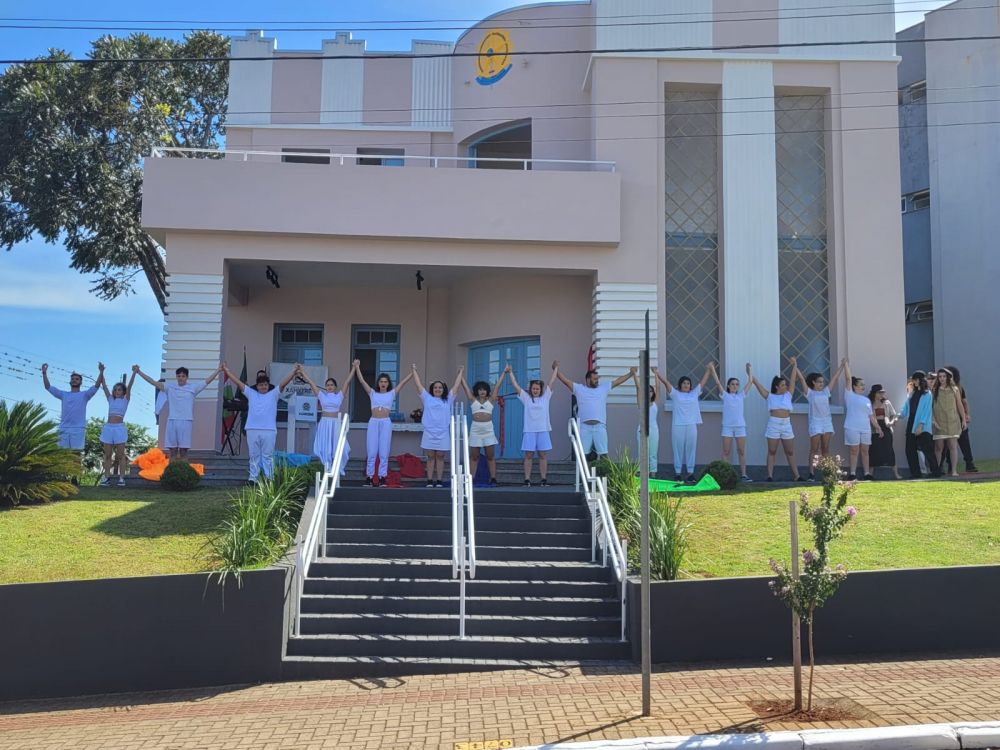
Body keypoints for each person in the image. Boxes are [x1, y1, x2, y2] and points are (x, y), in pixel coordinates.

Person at [222, 363, 297, 483]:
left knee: (267, 456)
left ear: (268, 386)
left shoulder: (274, 394)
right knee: (254, 456)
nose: (263, 387)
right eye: (261, 385)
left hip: (269, 430)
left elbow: (283, 383)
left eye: (265, 385)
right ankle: (253, 478)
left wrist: (293, 372)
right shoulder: (251, 394)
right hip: (252, 429)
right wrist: (227, 371)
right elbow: (238, 383)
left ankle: (269, 478)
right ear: (257, 386)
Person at [134, 363, 222, 459]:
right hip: (172, 421)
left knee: (184, 451)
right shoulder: (170, 387)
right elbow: (153, 382)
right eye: (179, 376)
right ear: (176, 377)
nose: (181, 378)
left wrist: (218, 370)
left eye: (183, 376)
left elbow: (207, 381)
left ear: (187, 377)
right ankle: (172, 472)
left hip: (186, 421)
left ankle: (183, 473)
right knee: (173, 451)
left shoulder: (193, 388)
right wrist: (139, 372)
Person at [555, 361, 636, 460]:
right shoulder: (579, 389)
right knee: (583, 456)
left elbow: (618, 381)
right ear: (588, 379)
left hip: (600, 427)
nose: (597, 381)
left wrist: (630, 374)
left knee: (604, 454)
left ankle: (606, 475)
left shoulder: (603, 388)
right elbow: (566, 381)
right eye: (595, 379)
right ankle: (582, 475)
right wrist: (555, 369)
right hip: (584, 428)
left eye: (597, 379)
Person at [355, 362, 414, 487]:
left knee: (383, 452)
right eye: (381, 381)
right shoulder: (372, 393)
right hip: (374, 422)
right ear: (378, 383)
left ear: (388, 383)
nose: (383, 383)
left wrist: (412, 372)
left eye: (385, 382)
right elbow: (362, 382)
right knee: (371, 451)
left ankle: (382, 477)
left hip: (385, 423)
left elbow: (402, 383)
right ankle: (370, 477)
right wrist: (357, 367)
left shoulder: (391, 393)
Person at [654, 363, 713, 482]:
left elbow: (703, 382)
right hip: (678, 425)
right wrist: (656, 373)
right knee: (678, 449)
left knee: (691, 448)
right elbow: (666, 383)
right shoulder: (675, 394)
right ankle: (677, 473)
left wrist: (709, 370)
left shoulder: (694, 393)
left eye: (688, 383)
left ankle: (690, 473)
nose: (686, 385)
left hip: (691, 425)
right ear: (680, 385)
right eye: (684, 383)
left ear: (690, 386)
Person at [749, 356, 804, 482]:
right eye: (783, 385)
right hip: (774, 424)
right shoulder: (770, 396)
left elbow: (793, 380)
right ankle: (769, 476)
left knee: (790, 451)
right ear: (777, 386)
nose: (786, 386)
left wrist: (794, 365)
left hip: (786, 424)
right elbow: (757, 385)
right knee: (772, 451)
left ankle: (797, 475)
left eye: (785, 384)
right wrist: (750, 372)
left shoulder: (788, 395)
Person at [506, 362, 560, 486]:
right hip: (529, 430)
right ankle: (527, 479)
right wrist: (510, 372)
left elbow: (551, 382)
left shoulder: (545, 397)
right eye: (533, 388)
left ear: (540, 389)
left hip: (543, 430)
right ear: (531, 389)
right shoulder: (526, 398)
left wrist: (556, 368)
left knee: (542, 455)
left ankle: (543, 479)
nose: (535, 390)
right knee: (529, 455)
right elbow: (516, 386)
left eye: (537, 388)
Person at [411, 364, 463, 488]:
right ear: (432, 389)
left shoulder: (448, 399)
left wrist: (461, 371)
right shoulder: (427, 398)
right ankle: (429, 481)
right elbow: (418, 386)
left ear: (443, 389)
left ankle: (439, 481)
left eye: (440, 387)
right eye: (435, 387)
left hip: (443, 432)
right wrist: (414, 370)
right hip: (429, 432)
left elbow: (456, 386)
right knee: (430, 457)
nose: (438, 389)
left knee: (440, 457)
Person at [298, 364, 355, 477]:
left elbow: (347, 382)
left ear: (335, 387)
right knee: (325, 448)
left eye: (331, 385)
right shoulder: (321, 395)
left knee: (337, 448)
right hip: (324, 424)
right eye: (327, 385)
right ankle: (326, 469)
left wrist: (354, 368)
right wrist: (302, 372)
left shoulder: (339, 395)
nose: (329, 386)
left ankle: (336, 470)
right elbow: (311, 382)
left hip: (335, 424)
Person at [795, 359, 846, 473]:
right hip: (815, 422)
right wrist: (795, 366)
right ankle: (811, 473)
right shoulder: (810, 393)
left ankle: (827, 472)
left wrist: (842, 366)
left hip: (827, 422)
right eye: (819, 382)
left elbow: (834, 378)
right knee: (814, 449)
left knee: (826, 448)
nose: (822, 384)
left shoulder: (826, 392)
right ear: (813, 382)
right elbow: (802, 379)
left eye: (823, 382)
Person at [460, 370, 507, 487]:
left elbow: (497, 386)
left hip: (488, 430)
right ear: (477, 391)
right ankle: (471, 479)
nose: (482, 391)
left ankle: (493, 478)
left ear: (487, 391)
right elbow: (465, 388)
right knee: (474, 456)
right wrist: (460, 374)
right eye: (480, 389)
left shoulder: (491, 400)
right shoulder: (473, 400)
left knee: (490, 456)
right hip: (475, 430)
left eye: (484, 389)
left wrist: (504, 373)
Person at [42, 362, 100, 452]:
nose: (74, 380)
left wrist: (101, 372)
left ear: (81, 382)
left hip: (78, 429)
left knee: (75, 455)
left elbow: (96, 386)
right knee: (63, 456)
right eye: (72, 379)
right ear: (70, 381)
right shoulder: (63, 394)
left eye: (77, 379)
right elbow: (48, 387)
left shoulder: (85, 395)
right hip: (64, 429)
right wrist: (44, 373)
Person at [711, 363, 754, 482]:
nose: (735, 386)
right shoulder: (725, 395)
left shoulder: (741, 396)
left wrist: (749, 370)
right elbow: (718, 383)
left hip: (740, 427)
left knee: (741, 451)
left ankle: (744, 475)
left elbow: (750, 382)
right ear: (728, 386)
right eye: (732, 384)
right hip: (727, 427)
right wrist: (712, 369)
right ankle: (725, 475)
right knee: (726, 451)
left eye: (737, 384)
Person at [842, 359, 882, 480]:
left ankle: (866, 473)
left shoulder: (866, 400)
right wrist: (846, 365)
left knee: (865, 451)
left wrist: (878, 427)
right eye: (861, 384)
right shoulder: (849, 395)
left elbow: (871, 416)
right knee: (854, 450)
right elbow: (848, 379)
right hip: (852, 427)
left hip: (865, 428)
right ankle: (853, 473)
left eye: (864, 385)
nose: (863, 386)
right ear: (854, 386)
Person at [98, 367, 137, 487]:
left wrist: (134, 373)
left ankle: (121, 478)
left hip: (119, 428)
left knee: (120, 455)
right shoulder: (110, 399)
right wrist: (101, 371)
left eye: (119, 390)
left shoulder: (125, 400)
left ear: (123, 392)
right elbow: (103, 386)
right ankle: (106, 478)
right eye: (115, 389)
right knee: (108, 455)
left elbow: (129, 386)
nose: (117, 391)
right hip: (108, 428)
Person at [900, 370, 939, 478]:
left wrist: (921, 425)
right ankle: (915, 473)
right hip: (911, 421)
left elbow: (927, 411)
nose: (914, 382)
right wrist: (898, 415)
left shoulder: (927, 394)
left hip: (922, 424)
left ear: (920, 380)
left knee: (927, 449)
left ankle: (935, 471)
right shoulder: (912, 393)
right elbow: (906, 407)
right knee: (910, 449)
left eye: (915, 380)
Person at [932, 367, 967, 478]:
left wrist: (964, 419)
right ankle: (936, 470)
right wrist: (933, 419)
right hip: (939, 421)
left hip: (952, 420)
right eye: (940, 376)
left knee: (953, 446)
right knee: (938, 447)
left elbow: (959, 404)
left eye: (944, 376)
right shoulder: (934, 390)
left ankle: (954, 470)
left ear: (948, 377)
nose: (942, 379)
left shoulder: (954, 389)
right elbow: (931, 406)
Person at [942, 365, 978, 473]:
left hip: (956, 418)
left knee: (958, 442)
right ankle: (967, 464)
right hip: (952, 419)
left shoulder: (957, 388)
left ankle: (965, 463)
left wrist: (966, 415)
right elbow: (965, 402)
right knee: (957, 443)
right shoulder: (953, 388)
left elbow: (964, 402)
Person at [631, 370, 661, 477]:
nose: (649, 392)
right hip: (642, 429)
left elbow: (658, 387)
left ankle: (653, 474)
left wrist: (656, 373)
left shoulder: (655, 403)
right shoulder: (641, 403)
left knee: (652, 453)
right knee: (642, 453)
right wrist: (634, 373)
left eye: (651, 391)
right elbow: (638, 387)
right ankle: (642, 473)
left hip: (653, 430)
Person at [868, 384, 901, 480]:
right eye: (879, 392)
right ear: (874, 393)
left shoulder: (887, 403)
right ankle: (870, 473)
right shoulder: (870, 403)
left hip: (886, 428)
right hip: (875, 429)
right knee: (873, 450)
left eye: (883, 392)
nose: (882, 394)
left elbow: (894, 415)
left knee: (889, 450)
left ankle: (896, 474)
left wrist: (891, 422)